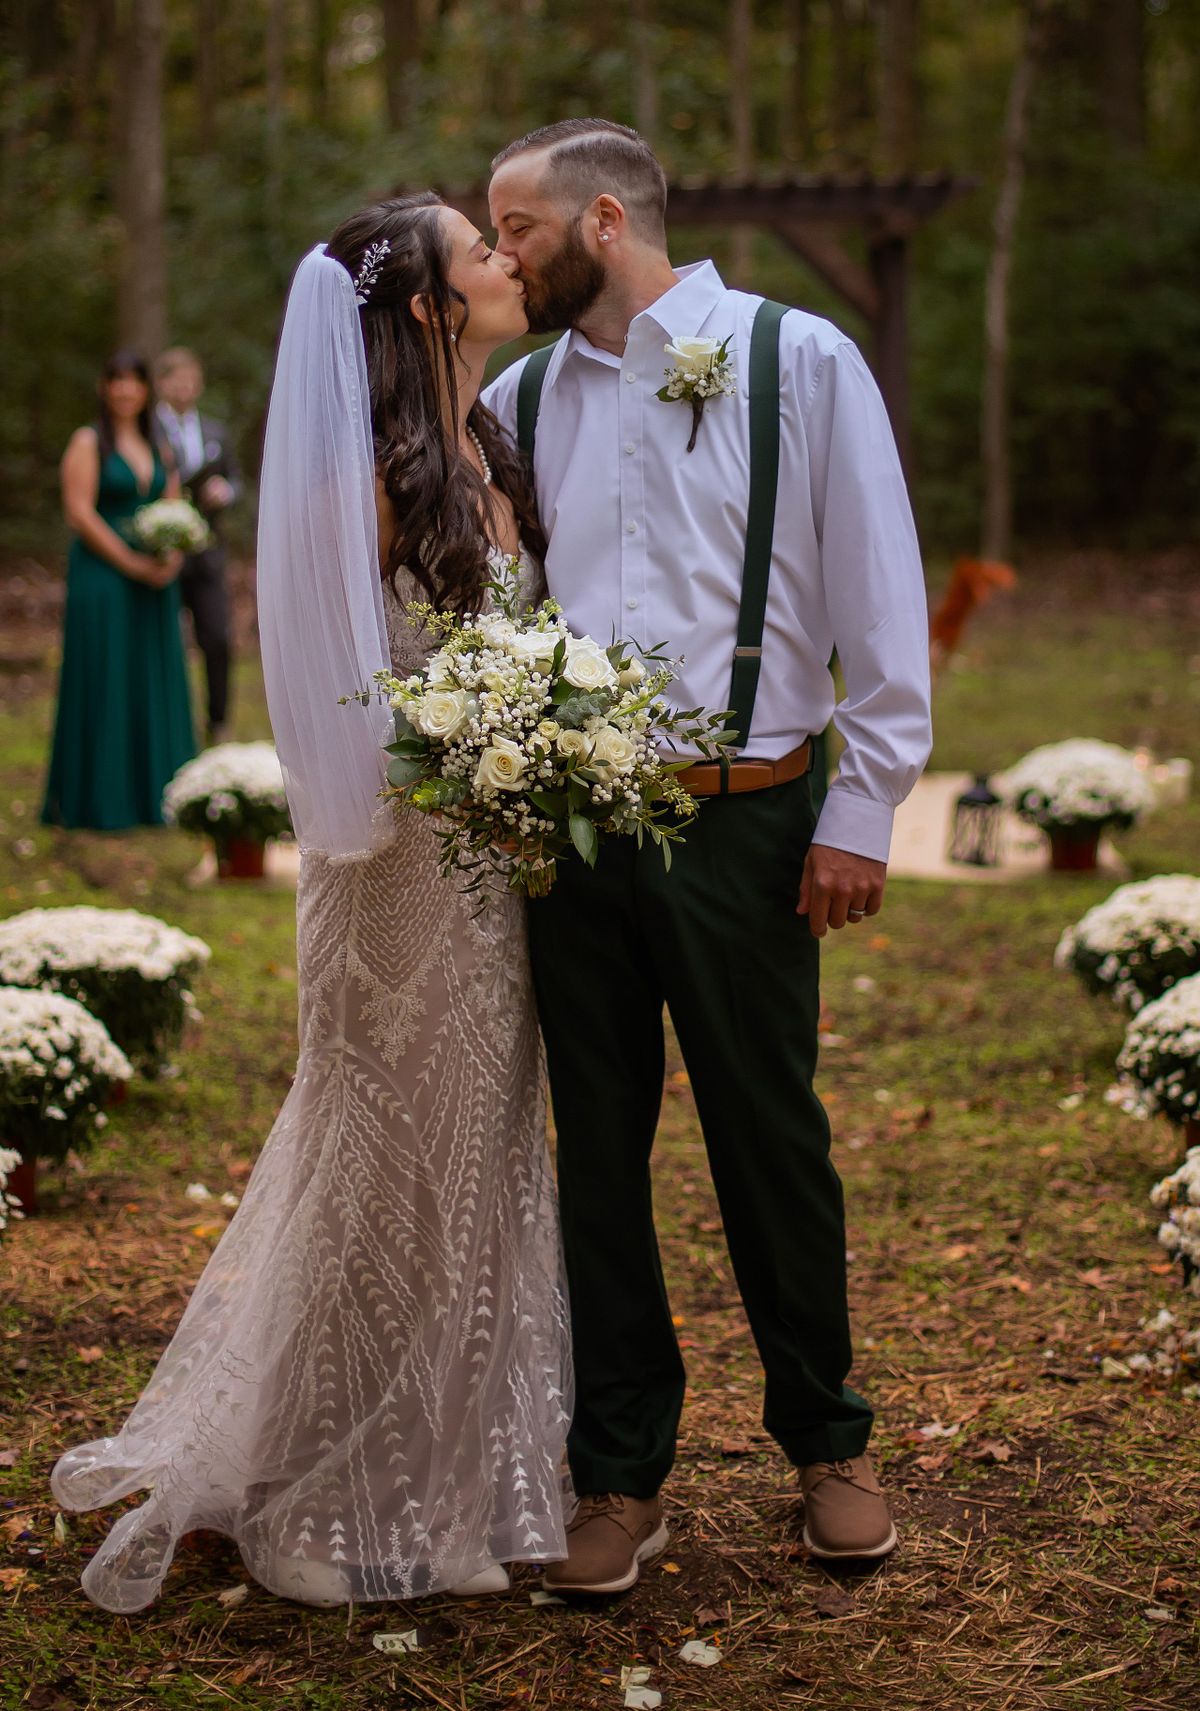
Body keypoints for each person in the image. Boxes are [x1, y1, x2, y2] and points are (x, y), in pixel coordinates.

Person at [51, 196, 571, 1612]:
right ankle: (329, 1483)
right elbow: (334, 691)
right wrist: (452, 760)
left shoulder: (497, 444)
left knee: (477, 1162)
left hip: (493, 881)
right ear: (427, 308)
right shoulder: (370, 478)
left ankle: (456, 1479)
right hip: (391, 869)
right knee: (382, 1164)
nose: (506, 259)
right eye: (479, 250)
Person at [484, 119, 932, 1593]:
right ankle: (618, 1473)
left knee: (769, 1136)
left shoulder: (801, 360)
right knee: (597, 1153)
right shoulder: (516, 394)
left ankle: (829, 1444)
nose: (501, 257)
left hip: (747, 819)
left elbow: (879, 588)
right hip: (568, 832)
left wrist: (861, 810)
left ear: (604, 222)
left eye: (518, 229)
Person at [42, 351, 195, 831]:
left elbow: (173, 502)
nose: (125, 390)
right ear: (104, 388)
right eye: (117, 381)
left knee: (150, 674)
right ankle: (100, 800)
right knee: (107, 675)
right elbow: (79, 512)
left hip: (153, 580)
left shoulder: (157, 444)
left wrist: (173, 554)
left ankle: (157, 795)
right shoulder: (88, 441)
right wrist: (130, 563)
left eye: (134, 381)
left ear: (146, 390)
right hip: (103, 577)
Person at [155, 348, 242, 744]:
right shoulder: (147, 430)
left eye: (191, 380)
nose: (185, 387)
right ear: (162, 383)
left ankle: (218, 722)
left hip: (208, 552)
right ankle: (169, 721)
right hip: (162, 552)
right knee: (164, 640)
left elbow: (237, 480)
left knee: (217, 637)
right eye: (177, 380)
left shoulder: (215, 432)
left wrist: (226, 490)